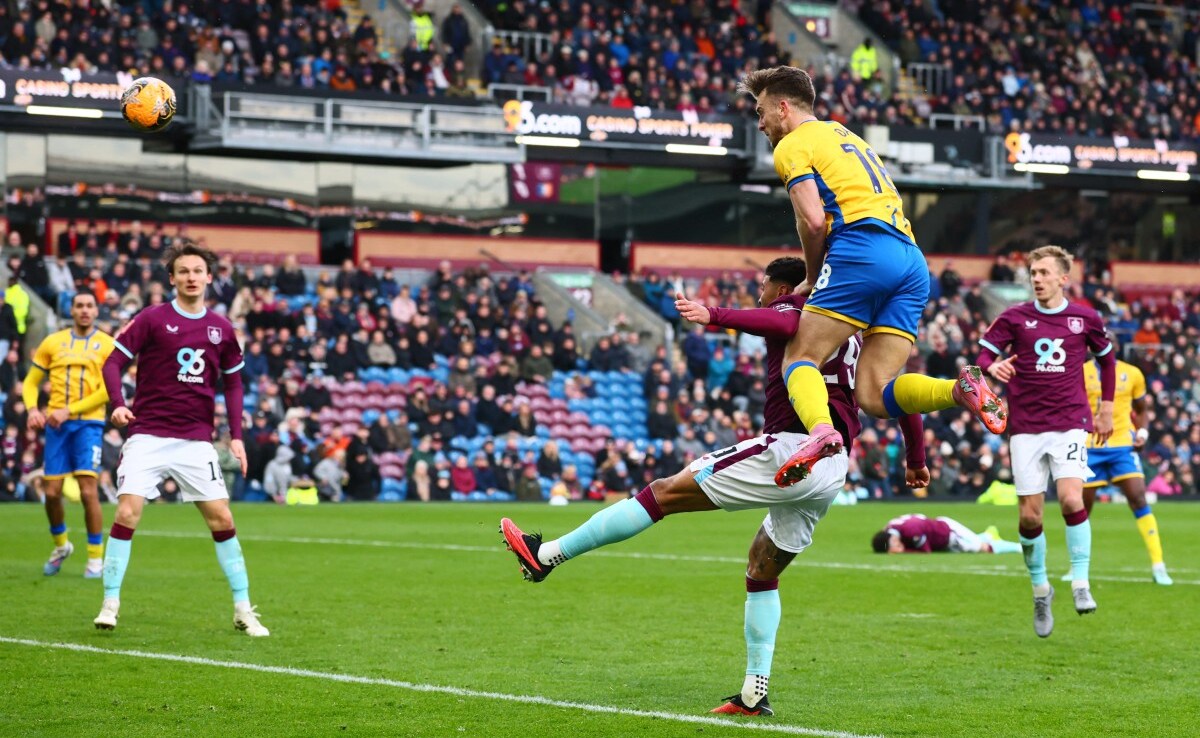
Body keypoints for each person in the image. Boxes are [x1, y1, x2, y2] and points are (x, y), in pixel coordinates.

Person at [501, 257, 927, 717]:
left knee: (662, 493)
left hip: (790, 447)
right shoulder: (856, 330)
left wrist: (715, 315)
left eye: (764, 286)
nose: (760, 295)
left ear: (782, 288)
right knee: (762, 568)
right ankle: (754, 692)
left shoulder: (801, 308)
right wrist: (916, 458)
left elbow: (781, 321)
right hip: (832, 467)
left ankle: (547, 556)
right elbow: (895, 393)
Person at [735, 66, 1006, 488]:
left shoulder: (792, 144)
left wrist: (813, 275)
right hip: (911, 260)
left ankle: (821, 433)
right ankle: (958, 389)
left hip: (861, 250)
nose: (760, 123)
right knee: (875, 394)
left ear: (783, 107)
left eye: (761, 112)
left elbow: (812, 221)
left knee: (800, 357)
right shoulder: (846, 136)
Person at [94, 241, 268, 636]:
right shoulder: (151, 318)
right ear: (172, 279)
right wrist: (118, 404)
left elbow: (234, 384)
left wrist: (236, 436)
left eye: (197, 271)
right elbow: (113, 362)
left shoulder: (222, 329)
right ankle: (110, 602)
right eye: (183, 271)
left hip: (195, 440)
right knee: (127, 512)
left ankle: (243, 608)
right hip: (147, 435)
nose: (191, 277)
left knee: (222, 518)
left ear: (209, 277)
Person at [977, 245, 1115, 638]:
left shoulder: (1085, 318)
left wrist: (1106, 408)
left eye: (1043, 273)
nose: (1036, 279)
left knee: (1071, 498)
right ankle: (1041, 590)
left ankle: (1081, 582)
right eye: (1033, 273)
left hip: (1070, 421)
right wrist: (993, 366)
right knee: (1029, 518)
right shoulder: (1014, 317)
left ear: (1062, 278)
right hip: (1025, 426)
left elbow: (1107, 360)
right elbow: (981, 358)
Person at [22, 290, 115, 578]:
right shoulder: (53, 342)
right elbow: (31, 382)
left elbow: (108, 390)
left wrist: (70, 410)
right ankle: (62, 545)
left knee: (88, 490)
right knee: (51, 492)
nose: (85, 310)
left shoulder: (107, 344)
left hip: (89, 425)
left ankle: (95, 558)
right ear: (71, 311)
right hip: (57, 427)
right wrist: (32, 410)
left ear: (96, 311)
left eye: (89, 306)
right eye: (79, 306)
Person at [1077, 345, 1171, 585]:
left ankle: (1158, 565)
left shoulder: (1133, 373)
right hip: (1090, 446)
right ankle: (1078, 568)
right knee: (1080, 509)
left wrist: (1142, 433)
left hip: (1122, 445)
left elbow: (1142, 410)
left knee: (1139, 498)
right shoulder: (1081, 371)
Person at [871, 514, 1021, 554]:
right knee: (977, 541)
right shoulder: (891, 527)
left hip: (949, 533)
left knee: (985, 548)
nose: (898, 546)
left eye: (894, 544)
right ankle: (988, 534)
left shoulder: (910, 531)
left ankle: (1018, 547)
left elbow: (925, 551)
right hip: (941, 532)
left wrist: (905, 551)